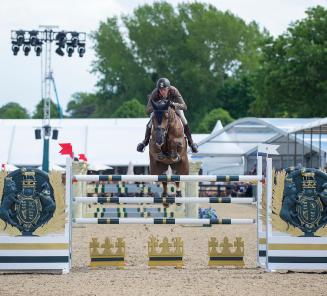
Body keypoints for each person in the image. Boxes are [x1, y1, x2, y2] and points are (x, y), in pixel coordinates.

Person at [136, 77, 198, 153]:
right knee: (151, 121)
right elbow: (148, 109)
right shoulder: (155, 93)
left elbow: (184, 106)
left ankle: (191, 142)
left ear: (168, 88)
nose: (162, 92)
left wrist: (173, 104)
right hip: (159, 109)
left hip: (173, 108)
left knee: (183, 118)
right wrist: (158, 104)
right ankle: (144, 142)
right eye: (160, 89)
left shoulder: (174, 91)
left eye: (164, 89)